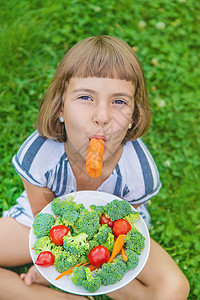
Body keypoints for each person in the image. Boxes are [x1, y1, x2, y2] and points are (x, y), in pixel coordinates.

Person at [0, 35, 189, 300]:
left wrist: (87, 261)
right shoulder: (39, 155)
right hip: (46, 217)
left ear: (133, 117)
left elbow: (123, 226)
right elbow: (44, 221)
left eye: (119, 102)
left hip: (111, 230)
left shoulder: (139, 173)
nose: (102, 117)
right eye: (86, 97)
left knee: (174, 290)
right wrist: (51, 261)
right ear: (60, 109)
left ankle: (93, 277)